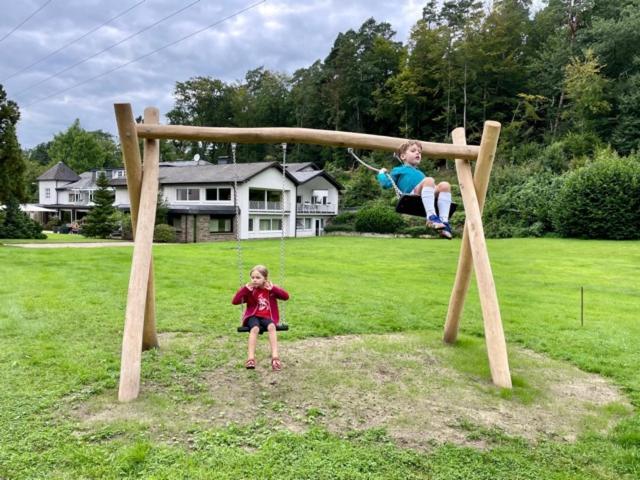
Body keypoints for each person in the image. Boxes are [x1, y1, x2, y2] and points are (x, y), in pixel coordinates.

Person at [377, 140, 453, 239]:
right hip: (411, 196)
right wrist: (381, 173)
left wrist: (437, 189)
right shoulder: (398, 170)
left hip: (425, 196)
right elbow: (386, 184)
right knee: (429, 180)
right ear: (403, 156)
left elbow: (429, 188)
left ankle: (444, 222)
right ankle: (431, 217)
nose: (417, 153)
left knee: (445, 185)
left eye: (419, 152)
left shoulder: (420, 173)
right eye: (413, 151)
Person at [231, 265, 289, 371]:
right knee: (255, 329)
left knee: (272, 326)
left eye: (258, 278)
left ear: (265, 279)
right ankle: (250, 358)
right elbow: (235, 301)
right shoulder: (250, 290)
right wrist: (245, 289)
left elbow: (286, 297)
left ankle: (275, 357)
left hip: (266, 317)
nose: (254, 280)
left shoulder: (270, 290)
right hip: (253, 317)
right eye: (252, 277)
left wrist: (274, 288)